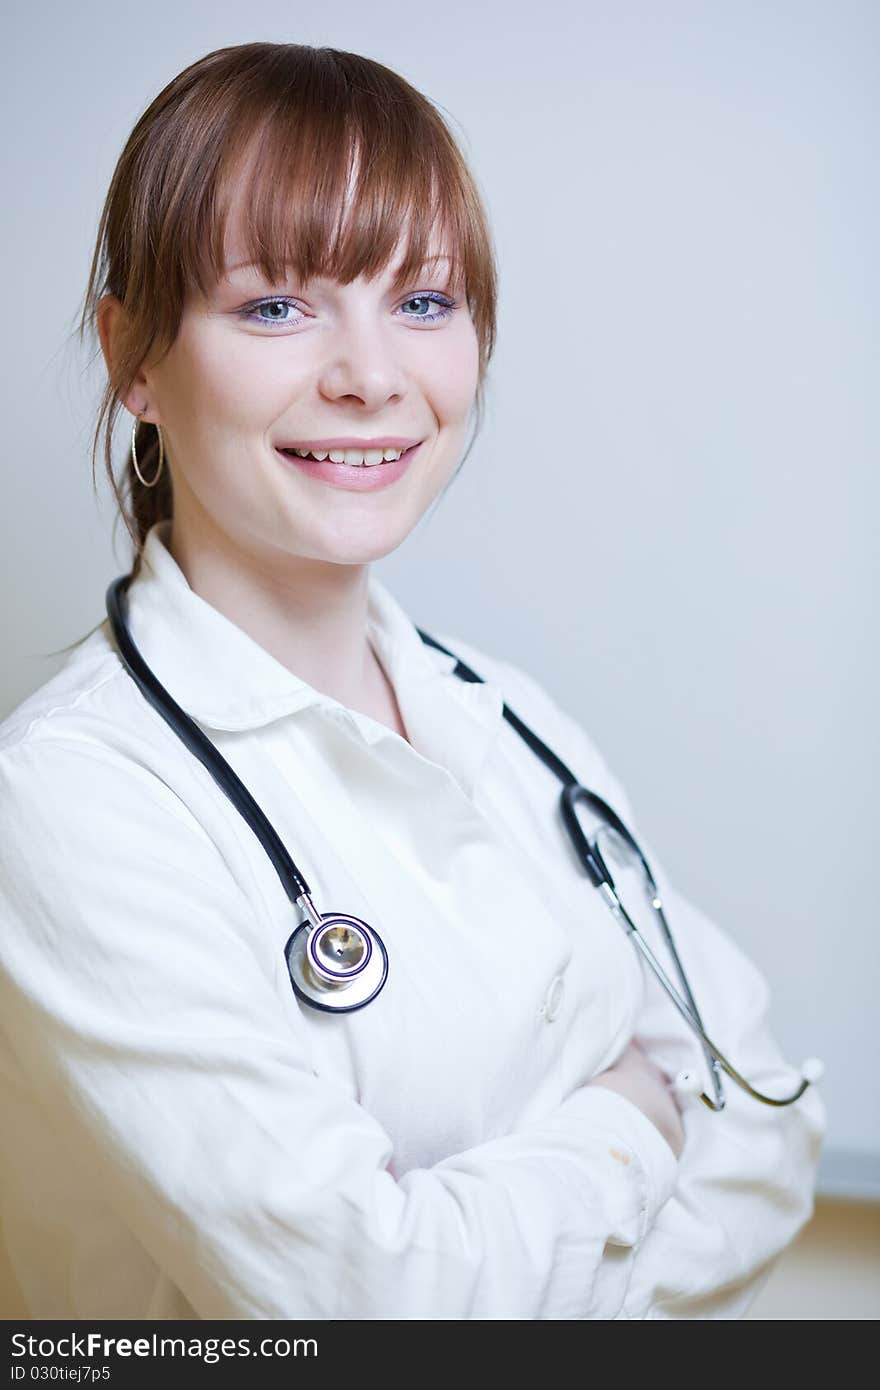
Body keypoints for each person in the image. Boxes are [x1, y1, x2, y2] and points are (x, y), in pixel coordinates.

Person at [0, 40, 825, 1321]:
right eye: (276, 304)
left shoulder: (504, 715)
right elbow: (368, 1308)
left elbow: (771, 1134)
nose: (372, 374)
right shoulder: (69, 799)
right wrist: (630, 1118)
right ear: (135, 359)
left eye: (424, 302)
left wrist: (485, 1246)